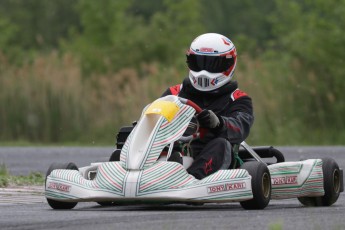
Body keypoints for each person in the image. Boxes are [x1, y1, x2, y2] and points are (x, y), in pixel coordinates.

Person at [161, 33, 254, 179]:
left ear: (228, 64)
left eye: (212, 64)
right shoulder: (175, 93)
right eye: (198, 62)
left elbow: (240, 127)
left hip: (211, 154)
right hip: (176, 149)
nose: (204, 71)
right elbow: (157, 118)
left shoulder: (238, 99)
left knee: (221, 144)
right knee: (129, 135)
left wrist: (219, 122)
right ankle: (134, 175)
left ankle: (191, 180)